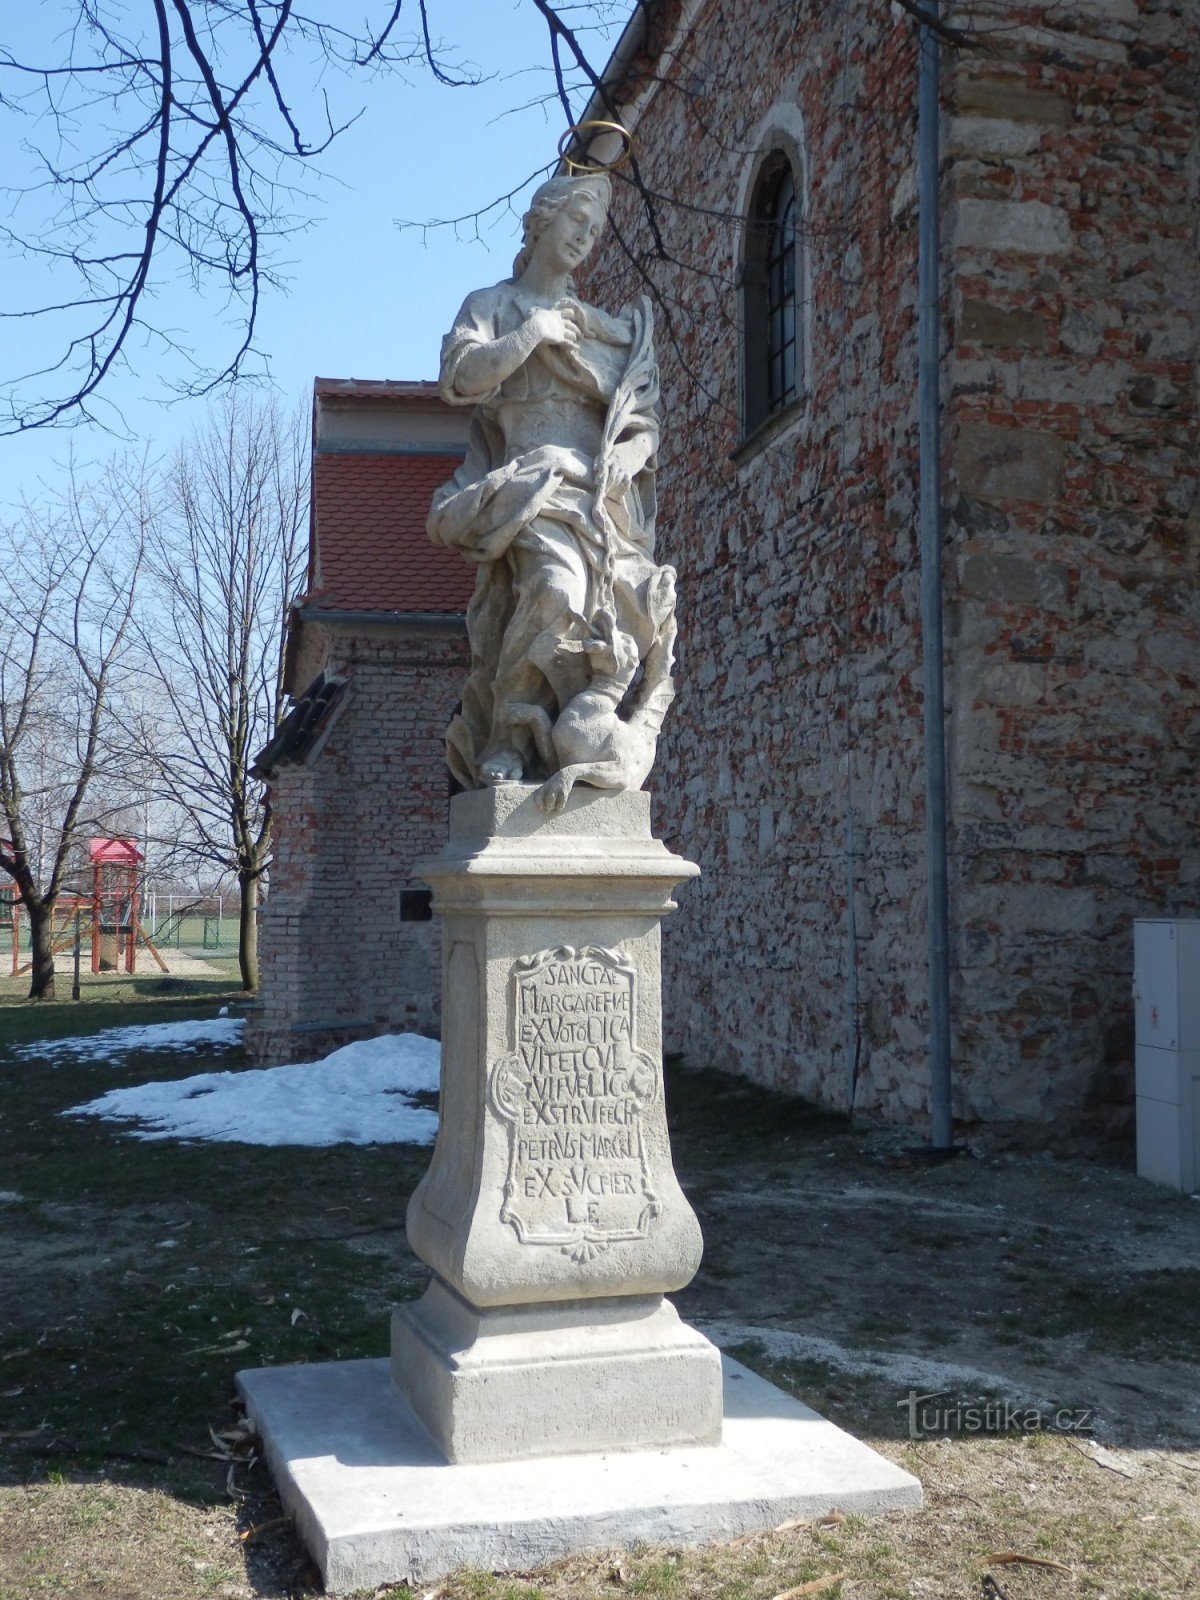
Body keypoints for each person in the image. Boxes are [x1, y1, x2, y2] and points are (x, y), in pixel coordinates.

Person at [428, 173, 675, 792]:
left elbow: (645, 425)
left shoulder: (602, 329)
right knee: (557, 586)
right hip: (530, 485)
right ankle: (512, 738)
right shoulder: (491, 306)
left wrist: (632, 451)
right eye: (576, 225)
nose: (585, 241)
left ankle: (580, 736)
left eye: (593, 233)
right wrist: (532, 333)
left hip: (599, 495)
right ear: (543, 220)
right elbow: (459, 379)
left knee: (618, 614)